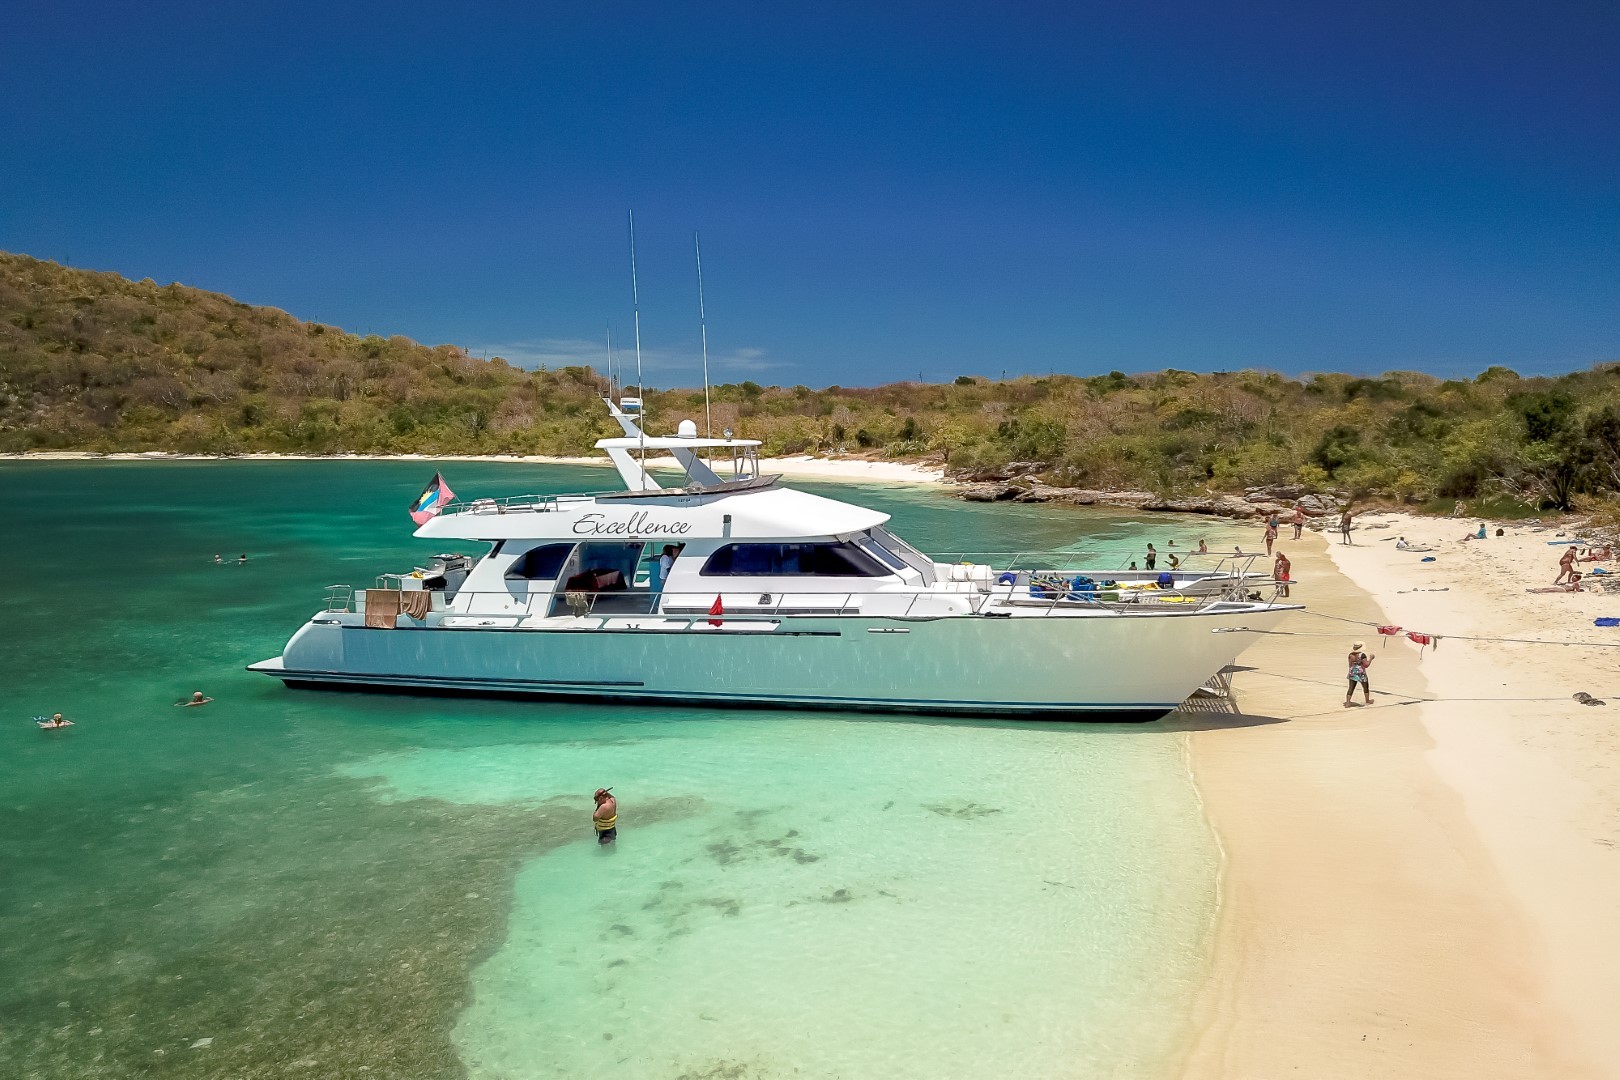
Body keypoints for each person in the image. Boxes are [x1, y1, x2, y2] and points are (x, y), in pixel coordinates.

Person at [1345, 642, 1373, 707]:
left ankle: (1348, 702)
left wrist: (1352, 671)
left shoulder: (1350, 655)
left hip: (1352, 672)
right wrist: (1371, 658)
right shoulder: (1362, 655)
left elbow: (1350, 665)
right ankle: (1367, 701)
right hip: (1361, 673)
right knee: (1365, 687)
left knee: (1351, 688)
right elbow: (1366, 665)